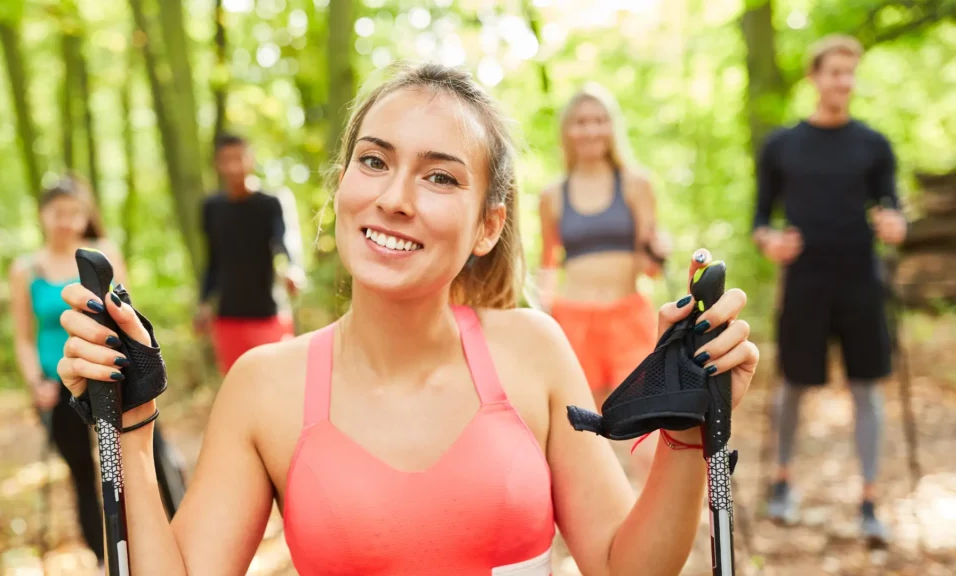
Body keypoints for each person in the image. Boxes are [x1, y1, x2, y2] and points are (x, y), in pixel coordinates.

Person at [55, 63, 758, 575]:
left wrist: (688, 438)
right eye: (374, 162)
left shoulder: (533, 351)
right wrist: (131, 430)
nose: (394, 197)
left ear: (489, 226)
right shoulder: (266, 385)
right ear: (342, 190)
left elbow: (620, 566)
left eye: (440, 176)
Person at [752, 34, 907, 546]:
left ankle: (868, 497)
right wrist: (771, 241)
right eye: (834, 71)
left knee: (867, 386)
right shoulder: (782, 145)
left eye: (849, 72)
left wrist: (894, 225)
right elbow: (760, 220)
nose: (842, 80)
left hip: (861, 280)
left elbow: (894, 211)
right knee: (794, 385)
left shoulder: (874, 144)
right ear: (814, 76)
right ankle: (782, 481)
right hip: (805, 282)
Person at [9, 175, 185, 571]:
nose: (67, 222)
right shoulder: (25, 268)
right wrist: (35, 382)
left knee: (150, 454)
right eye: (58, 214)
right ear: (42, 215)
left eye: (75, 213)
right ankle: (106, 559)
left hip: (112, 373)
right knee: (84, 473)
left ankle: (175, 535)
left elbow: (127, 313)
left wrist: (138, 366)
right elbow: (23, 336)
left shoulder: (102, 253)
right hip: (59, 384)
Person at [537, 86, 671, 476]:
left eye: (599, 120)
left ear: (611, 128)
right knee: (583, 433)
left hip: (628, 317)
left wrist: (659, 250)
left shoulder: (635, 184)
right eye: (581, 122)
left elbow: (651, 267)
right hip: (573, 319)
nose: (591, 130)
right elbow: (548, 263)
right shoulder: (552, 195)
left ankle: (652, 524)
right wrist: (544, 320)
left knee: (642, 430)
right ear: (568, 131)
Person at [195, 133, 306, 374]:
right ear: (217, 164)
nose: (234, 166)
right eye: (226, 159)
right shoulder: (211, 208)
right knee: (237, 389)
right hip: (228, 317)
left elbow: (284, 242)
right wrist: (204, 302)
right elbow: (212, 261)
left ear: (251, 159)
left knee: (278, 384)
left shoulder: (271, 203)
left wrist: (293, 269)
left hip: (269, 314)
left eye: (239, 158)